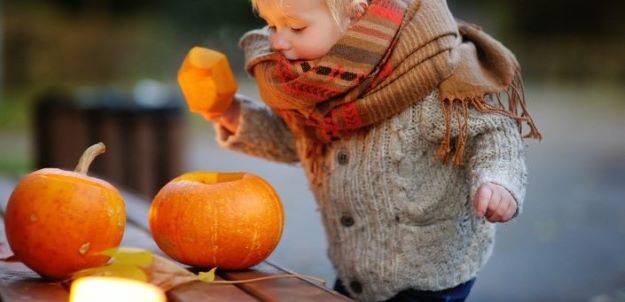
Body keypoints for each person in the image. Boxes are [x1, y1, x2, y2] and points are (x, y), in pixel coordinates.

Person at [178, 0, 542, 301]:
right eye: (272, 26)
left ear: (355, 16)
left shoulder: (427, 80)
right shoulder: (315, 90)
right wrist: (234, 115)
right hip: (355, 272)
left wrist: (499, 181)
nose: (276, 42)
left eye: (296, 28)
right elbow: (297, 142)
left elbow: (493, 133)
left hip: (427, 275)